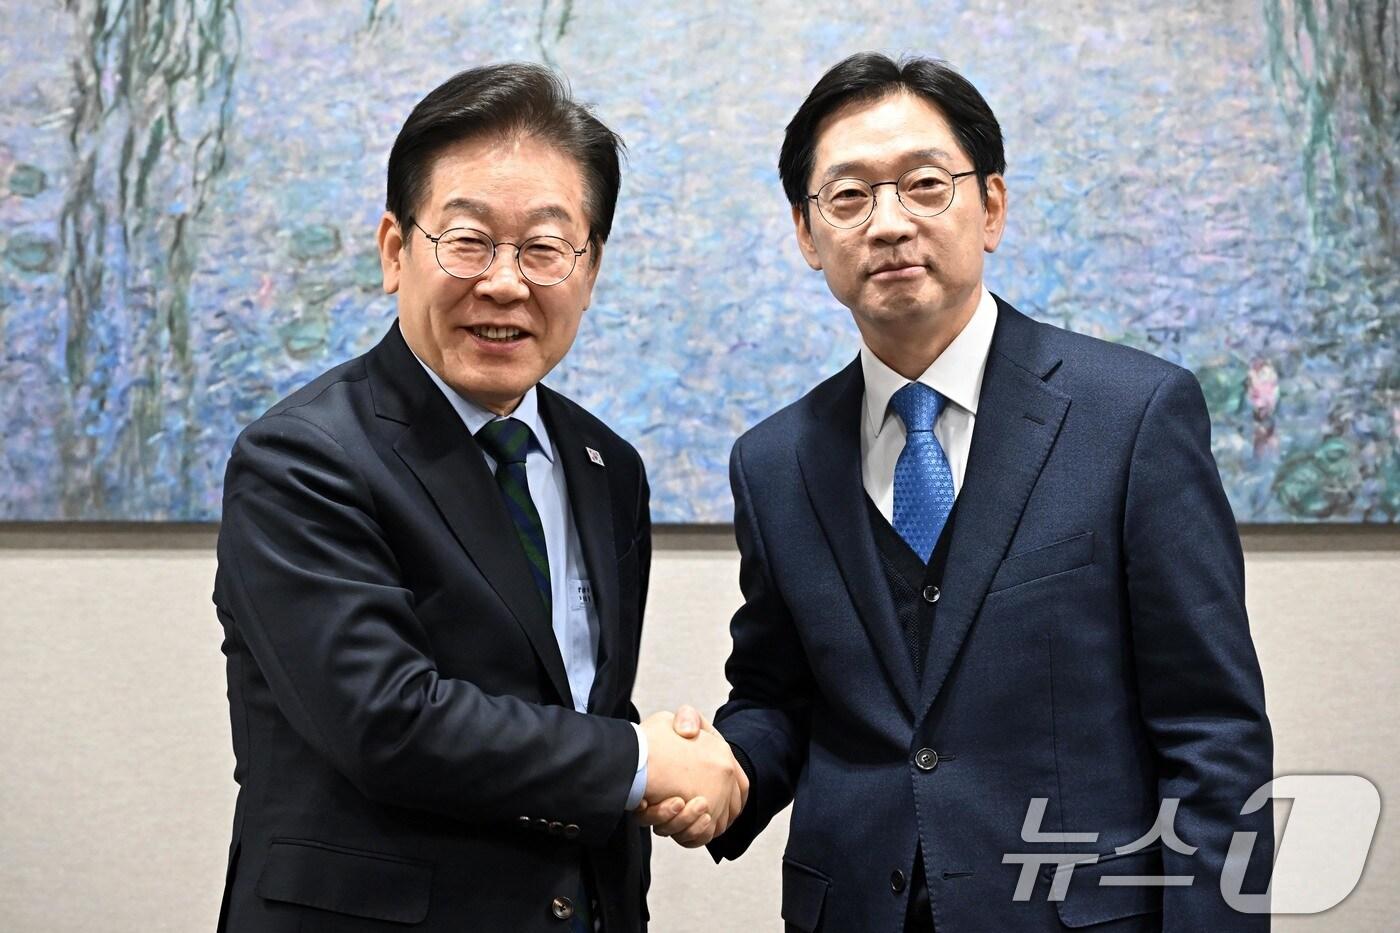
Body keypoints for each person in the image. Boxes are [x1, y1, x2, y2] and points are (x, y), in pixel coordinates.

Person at [643, 53, 1274, 931]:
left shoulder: (1132, 416)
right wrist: (729, 771)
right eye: (849, 196)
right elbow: (779, 695)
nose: (889, 223)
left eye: (925, 185)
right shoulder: (776, 461)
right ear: (807, 234)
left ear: (992, 208)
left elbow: (1213, 736)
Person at [213, 63, 744, 933]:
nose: (504, 282)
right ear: (396, 251)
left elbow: (575, 705)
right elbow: (388, 722)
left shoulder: (607, 465)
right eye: (468, 241)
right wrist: (642, 761)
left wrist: (651, 772)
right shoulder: (302, 458)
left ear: (590, 268)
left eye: (544, 247)